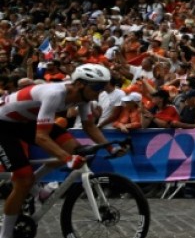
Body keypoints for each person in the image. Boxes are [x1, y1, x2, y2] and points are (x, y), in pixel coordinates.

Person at [0, 64, 125, 238]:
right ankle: (5, 234)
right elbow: (41, 137)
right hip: (4, 125)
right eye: (97, 87)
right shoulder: (54, 94)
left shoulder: (84, 98)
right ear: (80, 84)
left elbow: (89, 126)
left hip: (26, 121)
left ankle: (38, 192)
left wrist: (110, 145)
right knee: (24, 179)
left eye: (102, 88)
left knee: (77, 150)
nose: (100, 93)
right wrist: (67, 159)